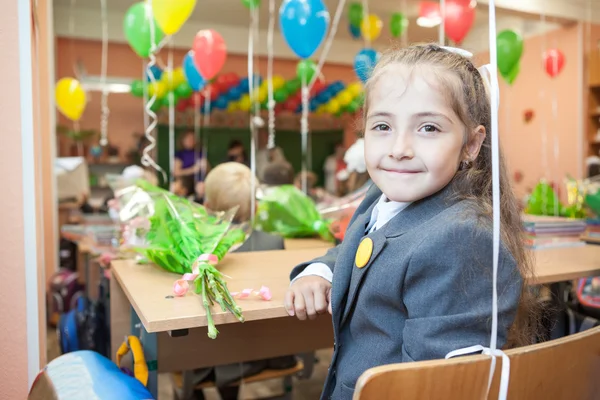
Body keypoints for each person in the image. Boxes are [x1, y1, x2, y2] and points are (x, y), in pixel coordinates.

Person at [284, 44, 537, 399]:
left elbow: (432, 388)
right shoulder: (383, 196)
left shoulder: (461, 241)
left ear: (471, 144)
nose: (399, 148)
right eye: (383, 125)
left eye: (429, 128)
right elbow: (362, 247)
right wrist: (321, 271)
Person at [189, 162, 296, 399]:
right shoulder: (274, 243)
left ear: (206, 207)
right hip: (263, 352)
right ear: (256, 207)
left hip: (204, 358)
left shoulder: (196, 250)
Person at [174, 130, 209, 200]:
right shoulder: (180, 154)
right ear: (183, 140)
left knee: (201, 188)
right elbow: (176, 172)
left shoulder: (200, 153)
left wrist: (206, 166)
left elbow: (208, 171)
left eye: (193, 139)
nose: (191, 141)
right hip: (185, 182)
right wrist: (193, 169)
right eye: (188, 139)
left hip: (199, 182)